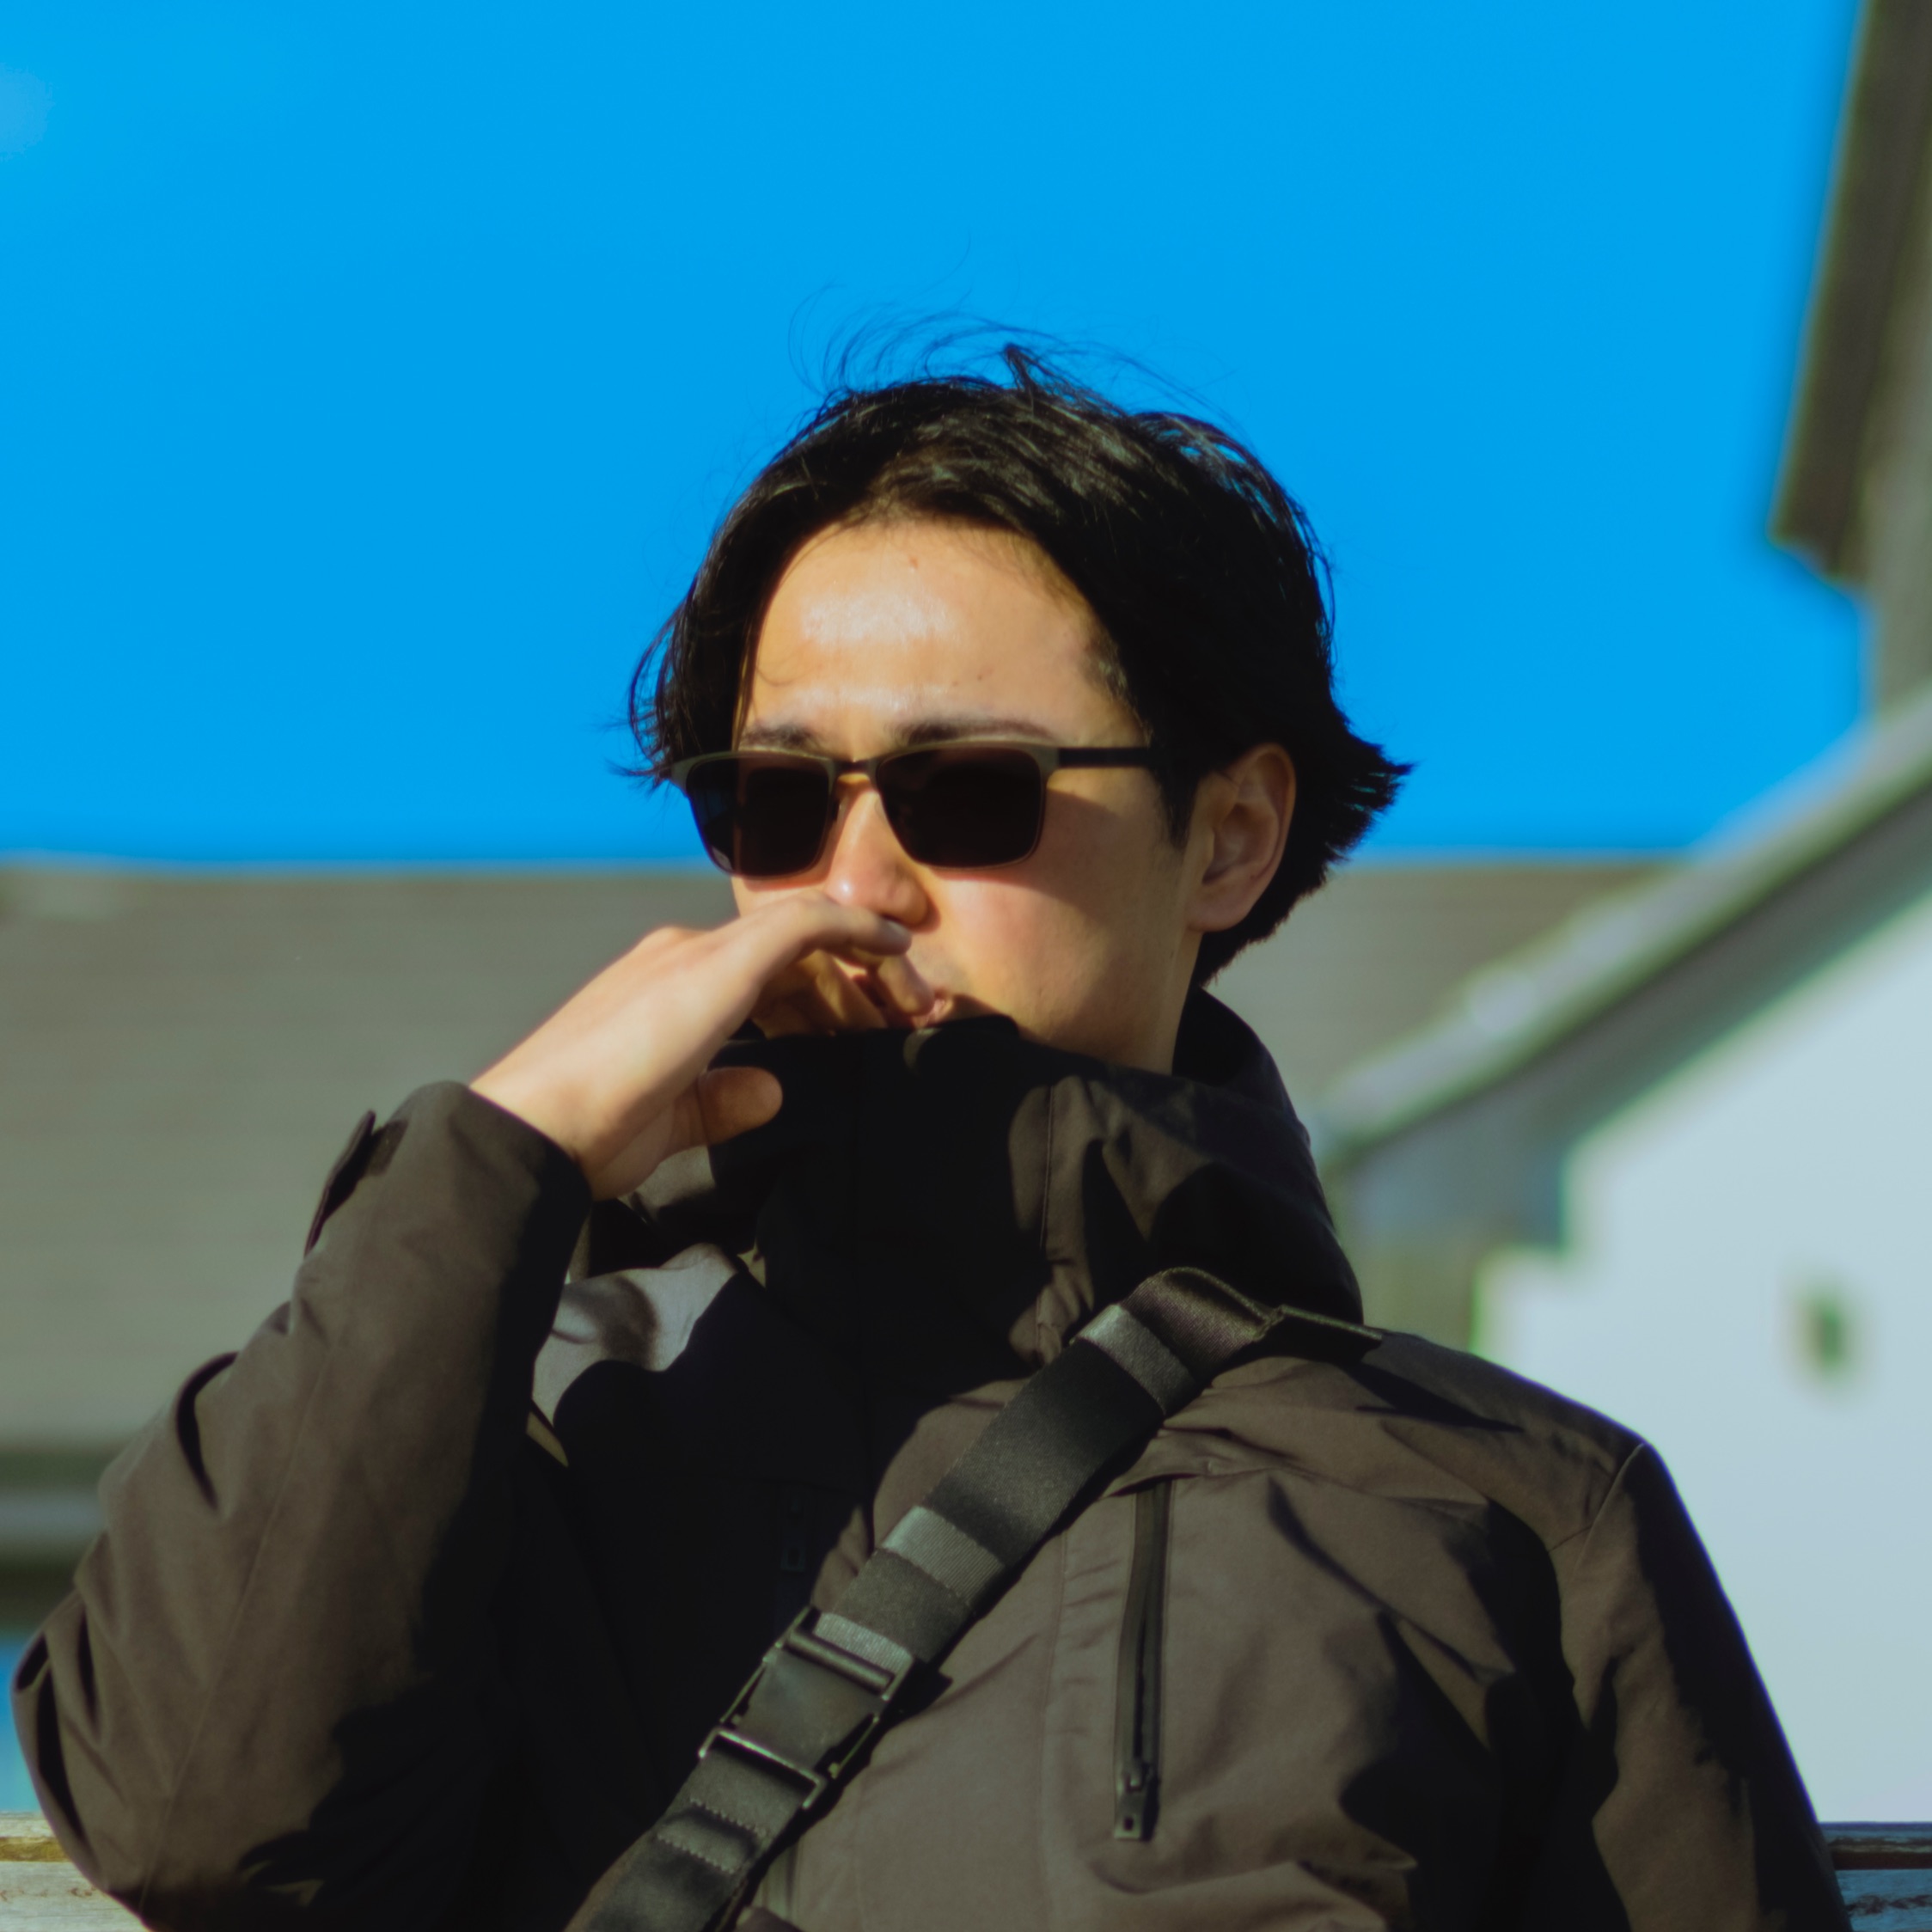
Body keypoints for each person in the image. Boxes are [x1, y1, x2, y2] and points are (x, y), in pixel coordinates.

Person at [13, 352, 1847, 1932]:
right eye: (776, 798)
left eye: (965, 788)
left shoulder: (1506, 1513)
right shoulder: (514, 1428)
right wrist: (503, 1155)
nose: (858, 881)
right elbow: (194, 1815)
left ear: (1227, 836)